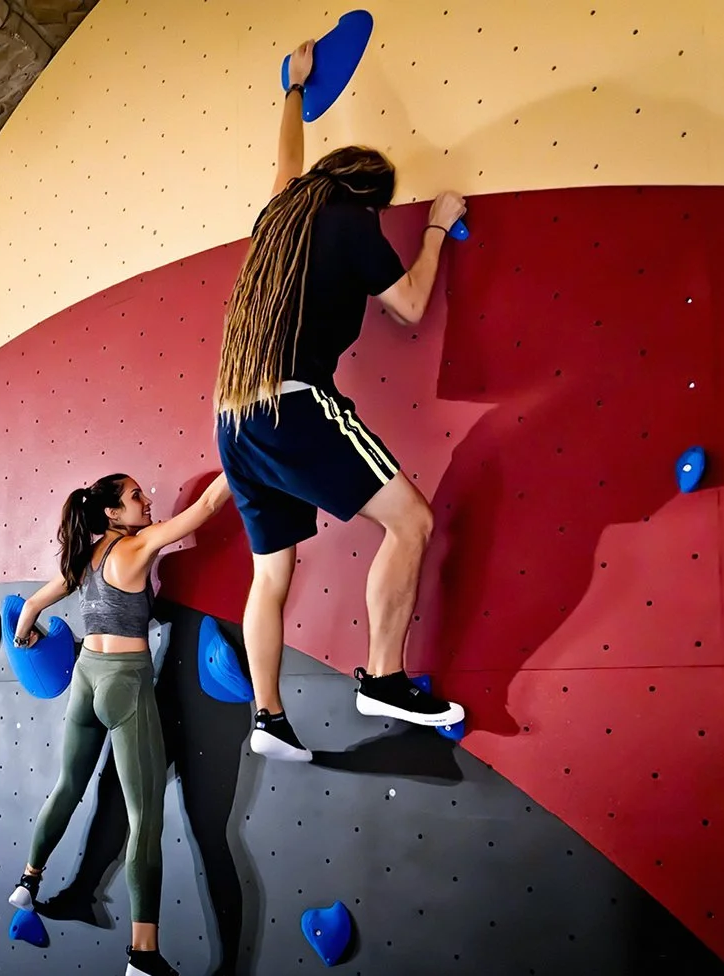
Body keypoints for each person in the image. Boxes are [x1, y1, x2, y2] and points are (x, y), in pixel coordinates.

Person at [213, 39, 467, 763]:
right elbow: (409, 304)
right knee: (411, 522)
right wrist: (435, 228)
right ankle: (384, 678)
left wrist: (294, 90)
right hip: (295, 408)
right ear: (370, 197)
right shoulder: (354, 222)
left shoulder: (279, 216)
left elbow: (286, 162)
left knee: (271, 574)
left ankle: (268, 717)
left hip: (234, 418)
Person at [8, 471, 230, 976]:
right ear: (112, 512)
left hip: (86, 680)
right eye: (135, 496)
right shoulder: (136, 546)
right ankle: (143, 954)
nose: (147, 501)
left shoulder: (83, 561)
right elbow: (203, 510)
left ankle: (29, 880)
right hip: (125, 684)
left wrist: (26, 633)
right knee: (144, 820)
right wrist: (241, 452)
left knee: (68, 787)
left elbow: (33, 607)